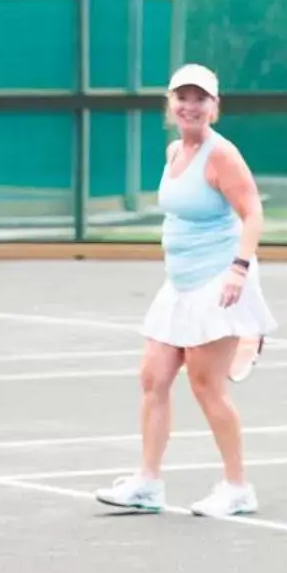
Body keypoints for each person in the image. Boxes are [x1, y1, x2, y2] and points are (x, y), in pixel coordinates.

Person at [95, 63, 276, 519]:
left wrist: (238, 269)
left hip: (218, 282)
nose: (190, 106)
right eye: (183, 97)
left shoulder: (223, 156)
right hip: (179, 283)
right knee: (153, 378)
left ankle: (238, 488)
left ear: (215, 106)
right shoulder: (175, 150)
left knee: (205, 386)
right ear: (170, 104)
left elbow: (252, 214)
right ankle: (148, 484)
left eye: (201, 98)